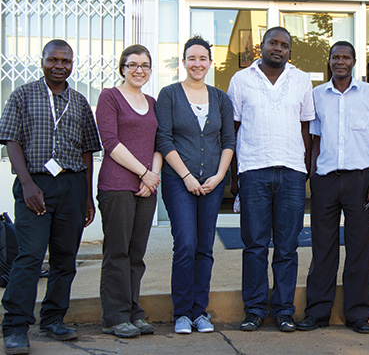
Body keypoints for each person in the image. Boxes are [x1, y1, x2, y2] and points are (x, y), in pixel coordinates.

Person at [0, 39, 101, 355]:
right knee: (29, 256)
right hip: (35, 186)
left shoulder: (80, 102)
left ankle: (53, 319)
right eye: (53, 59)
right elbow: (11, 140)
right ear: (42, 61)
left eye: (66, 60)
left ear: (73, 64)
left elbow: (87, 151)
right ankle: (16, 327)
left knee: (64, 258)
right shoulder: (23, 95)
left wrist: (87, 197)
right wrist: (28, 184)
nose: (60, 65)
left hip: (71, 186)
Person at [296, 42, 369, 334]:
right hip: (325, 178)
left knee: (360, 246)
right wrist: (312, 174)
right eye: (336, 57)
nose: (340, 61)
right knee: (322, 247)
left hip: (360, 179)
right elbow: (314, 139)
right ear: (330, 61)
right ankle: (317, 311)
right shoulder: (317, 95)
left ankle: (358, 314)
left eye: (346, 57)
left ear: (354, 61)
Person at [228, 26, 314, 333]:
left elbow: (306, 128)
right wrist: (235, 175)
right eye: (273, 43)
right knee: (255, 245)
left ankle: (283, 310)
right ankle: (253, 309)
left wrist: (304, 168)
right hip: (253, 170)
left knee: (288, 247)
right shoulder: (240, 80)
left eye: (284, 45)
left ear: (290, 50)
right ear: (261, 46)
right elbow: (234, 130)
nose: (278, 48)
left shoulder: (302, 80)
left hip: (291, 173)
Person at [155, 36, 235, 335]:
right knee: (186, 244)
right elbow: (163, 139)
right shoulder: (170, 95)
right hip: (179, 182)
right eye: (192, 58)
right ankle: (182, 313)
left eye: (203, 58)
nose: (197, 63)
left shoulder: (220, 98)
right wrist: (187, 176)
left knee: (205, 247)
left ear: (210, 63)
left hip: (213, 183)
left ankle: (200, 312)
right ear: (184, 62)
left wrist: (218, 177)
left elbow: (228, 141)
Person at [95, 45, 162, 338]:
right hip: (117, 186)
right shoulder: (110, 97)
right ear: (122, 67)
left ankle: (134, 311)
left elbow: (161, 142)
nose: (139, 70)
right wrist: (144, 173)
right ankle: (115, 316)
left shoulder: (152, 101)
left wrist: (153, 177)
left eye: (145, 65)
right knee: (117, 252)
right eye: (132, 64)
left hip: (147, 189)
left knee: (136, 253)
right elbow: (110, 141)